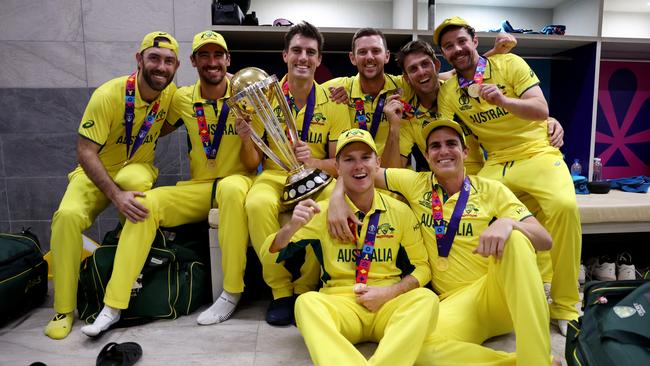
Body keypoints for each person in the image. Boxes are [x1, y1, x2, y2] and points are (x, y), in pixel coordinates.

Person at [328, 120, 558, 365]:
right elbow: (362, 170)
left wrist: (510, 224)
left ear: (465, 152)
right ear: (427, 156)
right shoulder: (416, 183)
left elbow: (544, 239)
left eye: (451, 144)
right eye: (435, 146)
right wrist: (336, 197)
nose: (444, 151)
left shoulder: (491, 190)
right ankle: (513, 362)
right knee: (418, 349)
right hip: (455, 304)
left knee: (515, 240)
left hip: (494, 293)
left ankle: (537, 361)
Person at [79, 30, 261, 336]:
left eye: (218, 55)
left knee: (230, 189)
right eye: (204, 55)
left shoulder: (245, 96)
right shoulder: (181, 98)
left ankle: (231, 292)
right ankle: (113, 305)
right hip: (200, 188)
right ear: (192, 61)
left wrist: (246, 137)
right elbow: (152, 124)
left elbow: (253, 164)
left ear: (228, 60)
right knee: (144, 205)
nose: (212, 62)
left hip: (237, 182)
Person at [434, 16, 581, 335]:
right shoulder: (449, 92)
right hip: (497, 161)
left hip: (537, 151)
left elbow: (541, 110)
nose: (457, 49)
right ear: (443, 53)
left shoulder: (510, 63)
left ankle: (566, 305)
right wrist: (467, 186)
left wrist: (503, 100)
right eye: (448, 46)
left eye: (461, 41)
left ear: (474, 40)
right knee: (473, 213)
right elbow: (460, 143)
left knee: (564, 207)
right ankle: (493, 296)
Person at [45, 31, 180, 340]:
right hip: (95, 172)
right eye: (154, 58)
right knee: (66, 218)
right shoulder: (109, 95)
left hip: (136, 170)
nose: (161, 66)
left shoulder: (171, 95)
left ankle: (127, 262)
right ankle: (63, 309)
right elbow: (85, 151)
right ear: (139, 59)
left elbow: (183, 113)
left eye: (169, 61)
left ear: (176, 66)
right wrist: (114, 195)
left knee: (135, 182)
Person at [263, 128, 438, 365]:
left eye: (365, 158)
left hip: (387, 302)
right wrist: (292, 226)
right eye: (349, 159)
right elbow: (269, 254)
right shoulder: (321, 212)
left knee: (426, 299)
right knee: (306, 304)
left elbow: (422, 268)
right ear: (337, 167)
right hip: (340, 303)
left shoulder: (400, 211)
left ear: (377, 163)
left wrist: (388, 293)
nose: (358, 166)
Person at [244, 21, 349, 326]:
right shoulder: (264, 97)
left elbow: (337, 163)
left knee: (332, 203)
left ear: (319, 59)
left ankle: (305, 285)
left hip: (316, 179)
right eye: (297, 51)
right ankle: (280, 290)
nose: (303, 57)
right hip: (275, 174)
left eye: (310, 52)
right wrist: (245, 135)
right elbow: (253, 163)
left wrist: (314, 162)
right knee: (256, 204)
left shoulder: (333, 102)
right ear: (285, 55)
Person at [325, 29, 520, 169]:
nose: (369, 57)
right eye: (362, 52)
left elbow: (456, 72)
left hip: (481, 172)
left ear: (386, 56)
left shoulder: (408, 86)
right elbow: (306, 92)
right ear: (352, 58)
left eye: (375, 51)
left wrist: (548, 120)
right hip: (358, 171)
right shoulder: (339, 88)